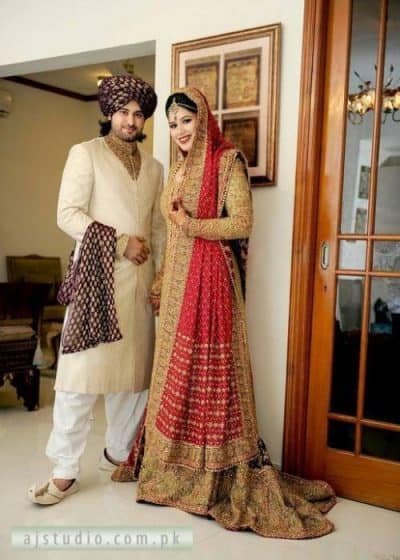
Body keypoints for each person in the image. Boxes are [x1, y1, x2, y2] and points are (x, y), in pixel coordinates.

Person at [112, 86, 336, 538]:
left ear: (205, 120)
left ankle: (213, 473)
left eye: (187, 121)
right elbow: (172, 233)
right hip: (177, 284)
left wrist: (190, 224)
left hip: (212, 280)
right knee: (177, 370)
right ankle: (169, 472)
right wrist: (160, 282)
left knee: (212, 374)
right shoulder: (177, 170)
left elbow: (241, 222)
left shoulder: (227, 161)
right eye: (172, 124)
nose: (178, 131)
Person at [28, 74, 166, 505]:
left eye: (139, 113)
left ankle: (119, 454)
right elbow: (67, 213)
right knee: (79, 379)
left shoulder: (156, 167)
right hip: (97, 282)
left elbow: (158, 227)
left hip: (140, 286)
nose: (131, 120)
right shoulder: (84, 154)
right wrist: (121, 242)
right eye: (124, 111)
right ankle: (65, 470)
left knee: (133, 379)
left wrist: (160, 275)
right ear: (108, 112)